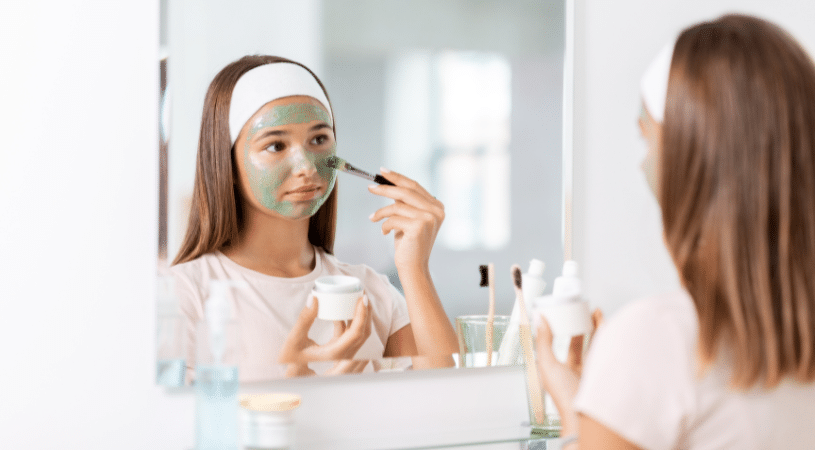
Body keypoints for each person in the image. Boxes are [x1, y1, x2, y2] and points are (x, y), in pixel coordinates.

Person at [536, 14, 815, 449]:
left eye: (648, 138)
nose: (641, 164)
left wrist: (599, 405)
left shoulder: (654, 340)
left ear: (691, 162)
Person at [171, 55, 457, 382]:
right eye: (276, 145)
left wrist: (415, 269)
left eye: (319, 140)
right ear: (227, 164)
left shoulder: (373, 292)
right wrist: (294, 386)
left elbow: (447, 405)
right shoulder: (186, 295)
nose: (307, 166)